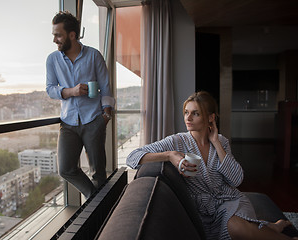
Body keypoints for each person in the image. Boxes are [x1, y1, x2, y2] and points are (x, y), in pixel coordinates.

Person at [126, 91, 295, 240]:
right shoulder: (177, 142)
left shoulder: (221, 141)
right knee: (237, 228)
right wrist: (170, 155)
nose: (188, 118)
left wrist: (216, 142)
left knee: (236, 226)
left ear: (210, 118)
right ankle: (269, 228)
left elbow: (236, 180)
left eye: (195, 113)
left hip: (231, 201)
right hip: (204, 212)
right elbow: (132, 157)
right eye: (186, 112)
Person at [46, 11, 115, 199]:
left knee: (98, 174)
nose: (55, 40)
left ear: (72, 35)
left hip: (93, 120)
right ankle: (97, 200)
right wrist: (71, 91)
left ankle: (100, 212)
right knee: (66, 169)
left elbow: (106, 89)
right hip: (68, 123)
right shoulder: (52, 60)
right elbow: (50, 89)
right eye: (54, 35)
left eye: (58, 35)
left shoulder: (93, 56)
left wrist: (105, 117)